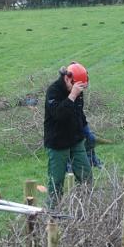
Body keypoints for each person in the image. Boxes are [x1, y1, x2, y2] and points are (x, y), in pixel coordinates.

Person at [44, 62, 93, 206]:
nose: (80, 91)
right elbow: (59, 115)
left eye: (82, 87)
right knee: (56, 181)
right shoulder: (53, 91)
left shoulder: (77, 90)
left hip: (76, 140)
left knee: (86, 176)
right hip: (58, 143)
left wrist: (86, 131)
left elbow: (78, 112)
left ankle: (84, 208)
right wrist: (72, 96)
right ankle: (52, 214)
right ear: (67, 78)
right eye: (78, 87)